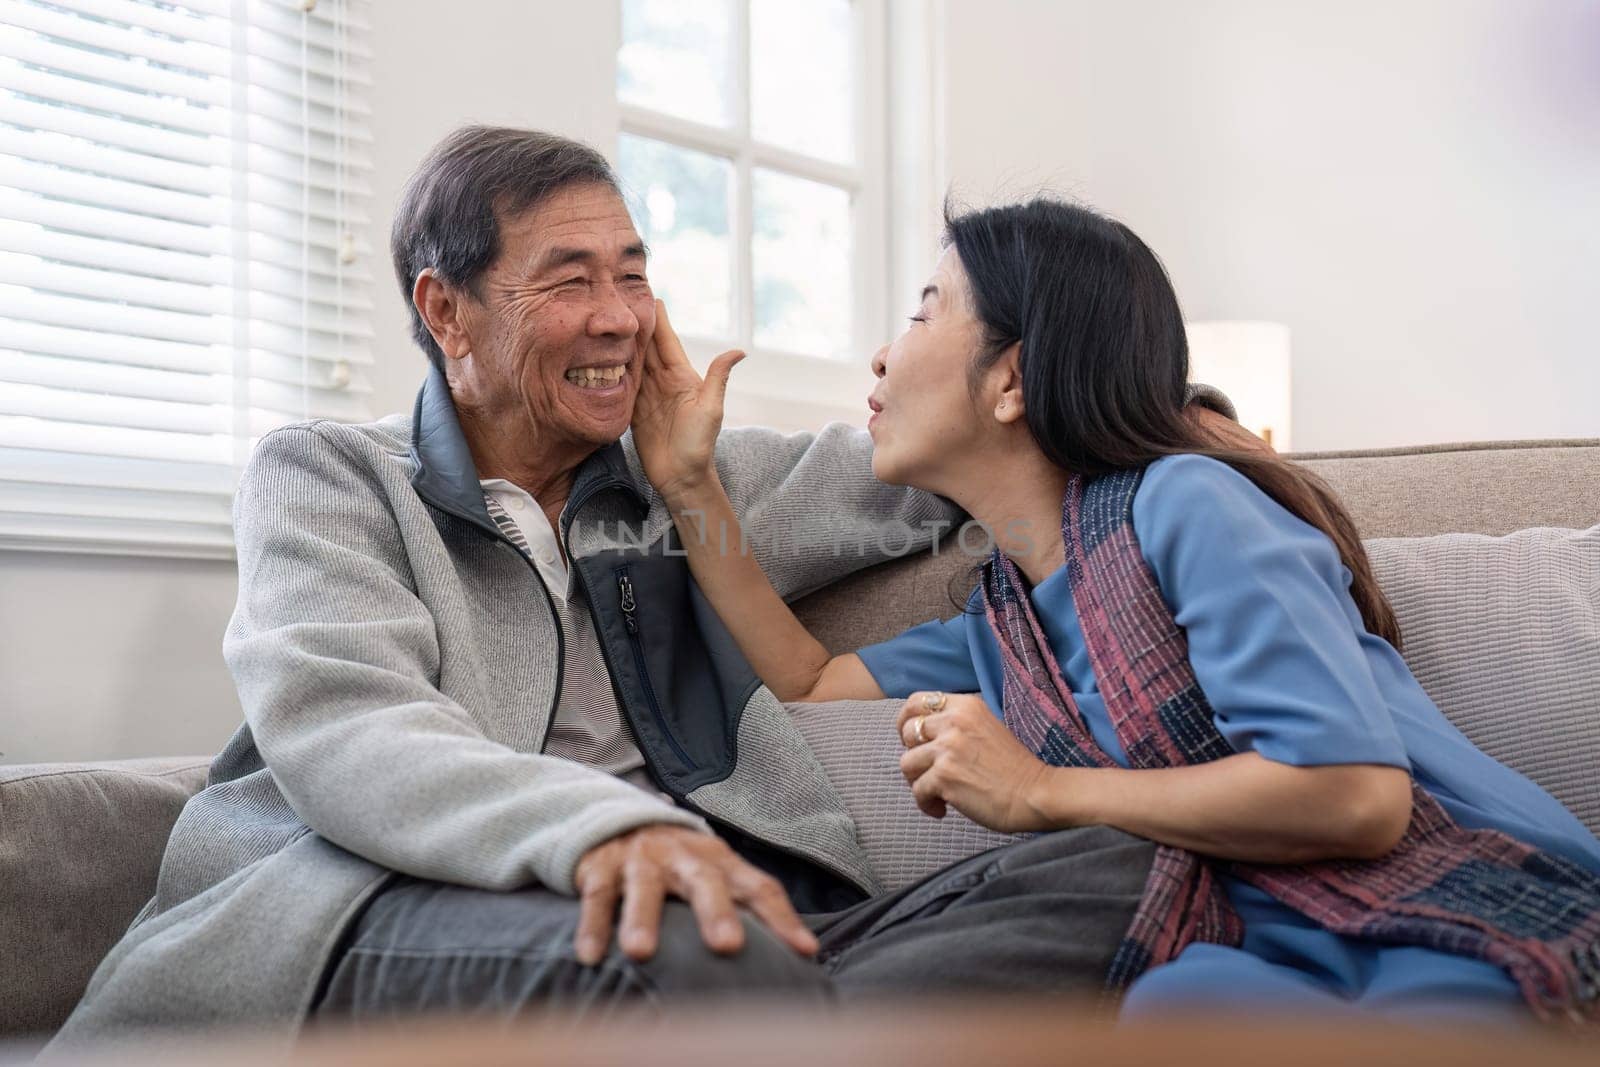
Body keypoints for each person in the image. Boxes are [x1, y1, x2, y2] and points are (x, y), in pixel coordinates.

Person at [48, 128, 1243, 1051]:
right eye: (570, 279)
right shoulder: (328, 474)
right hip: (376, 898)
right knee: (701, 957)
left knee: (1122, 866)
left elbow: (912, 469)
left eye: (634, 274)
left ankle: (774, 1031)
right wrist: (603, 824)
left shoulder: (675, 471)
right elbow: (350, 725)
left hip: (694, 911)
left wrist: (1154, 418)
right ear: (443, 309)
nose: (619, 317)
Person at [630, 196, 1600, 1025]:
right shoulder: (1005, 623)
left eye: (926, 313)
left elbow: (1355, 792)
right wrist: (688, 484)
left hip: (1466, 909)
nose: (882, 354)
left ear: (1011, 377)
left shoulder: (1187, 503)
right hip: (1261, 939)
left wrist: (1041, 792)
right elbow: (807, 678)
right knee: (1165, 1009)